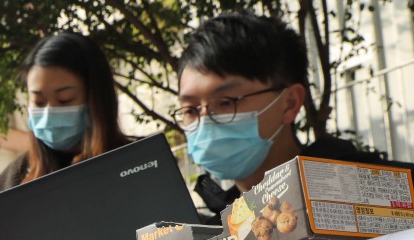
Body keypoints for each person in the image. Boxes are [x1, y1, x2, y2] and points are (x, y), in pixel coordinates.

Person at [176, 11, 414, 217]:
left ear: (289, 103)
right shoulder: (214, 236)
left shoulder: (391, 197)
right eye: (190, 110)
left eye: (226, 102)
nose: (205, 121)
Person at [0, 32, 130, 193]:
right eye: (39, 102)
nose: (49, 112)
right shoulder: (10, 182)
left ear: (96, 99)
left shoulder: (140, 161)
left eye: (65, 99)